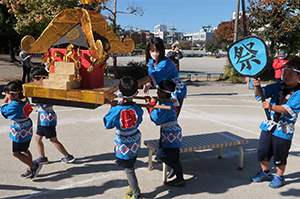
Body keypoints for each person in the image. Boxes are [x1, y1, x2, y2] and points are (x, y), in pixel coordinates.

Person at [251, 60, 300, 188]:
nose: (287, 76)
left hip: (284, 130)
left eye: (291, 74)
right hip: (269, 126)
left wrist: (271, 107)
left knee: (280, 155)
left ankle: (279, 176)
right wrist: (257, 86)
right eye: (285, 73)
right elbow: (262, 93)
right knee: (262, 151)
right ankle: (265, 172)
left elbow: (288, 109)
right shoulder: (278, 85)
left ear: (299, 77)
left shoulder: (299, 92)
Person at [103, 76, 143, 199]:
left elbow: (107, 124)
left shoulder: (116, 110)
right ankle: (133, 186)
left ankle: (137, 194)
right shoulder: (138, 108)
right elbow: (139, 120)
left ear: (119, 91)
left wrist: (112, 107)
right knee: (131, 164)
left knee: (129, 169)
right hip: (135, 140)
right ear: (136, 93)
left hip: (124, 143)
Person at [30, 67, 75, 164]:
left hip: (47, 118)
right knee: (37, 138)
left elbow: (37, 103)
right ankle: (42, 157)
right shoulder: (44, 87)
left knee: (53, 139)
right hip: (42, 117)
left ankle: (68, 156)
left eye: (34, 79)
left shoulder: (46, 88)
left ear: (40, 78)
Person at [145, 80, 185, 187]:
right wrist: (151, 104)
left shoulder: (167, 105)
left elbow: (155, 118)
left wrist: (151, 105)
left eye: (158, 91)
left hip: (170, 134)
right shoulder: (170, 100)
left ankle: (179, 177)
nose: (157, 93)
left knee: (168, 157)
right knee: (163, 155)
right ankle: (176, 171)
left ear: (163, 93)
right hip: (169, 132)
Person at [1, 80, 42, 180]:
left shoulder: (15, 105)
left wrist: (5, 100)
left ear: (15, 94)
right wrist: (8, 96)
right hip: (26, 126)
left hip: (20, 130)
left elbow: (4, 111)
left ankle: (33, 166)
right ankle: (30, 167)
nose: (6, 95)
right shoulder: (25, 99)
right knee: (24, 149)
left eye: (7, 94)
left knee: (16, 153)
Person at [138, 37, 187, 117]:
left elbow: (154, 76)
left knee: (170, 116)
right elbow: (152, 78)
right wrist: (147, 85)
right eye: (152, 51)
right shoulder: (151, 62)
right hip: (163, 91)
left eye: (157, 51)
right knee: (162, 115)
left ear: (161, 51)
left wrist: (137, 83)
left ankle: (172, 129)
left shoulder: (166, 63)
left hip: (176, 91)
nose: (155, 53)